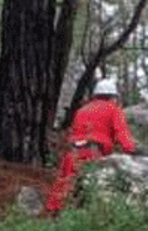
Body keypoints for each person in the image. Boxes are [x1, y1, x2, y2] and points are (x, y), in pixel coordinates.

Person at [45, 79, 137, 212]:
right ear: (113, 96)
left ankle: (52, 219)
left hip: (73, 155)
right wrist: (132, 150)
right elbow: (124, 137)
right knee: (94, 192)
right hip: (94, 156)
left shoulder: (82, 110)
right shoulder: (113, 109)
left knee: (63, 188)